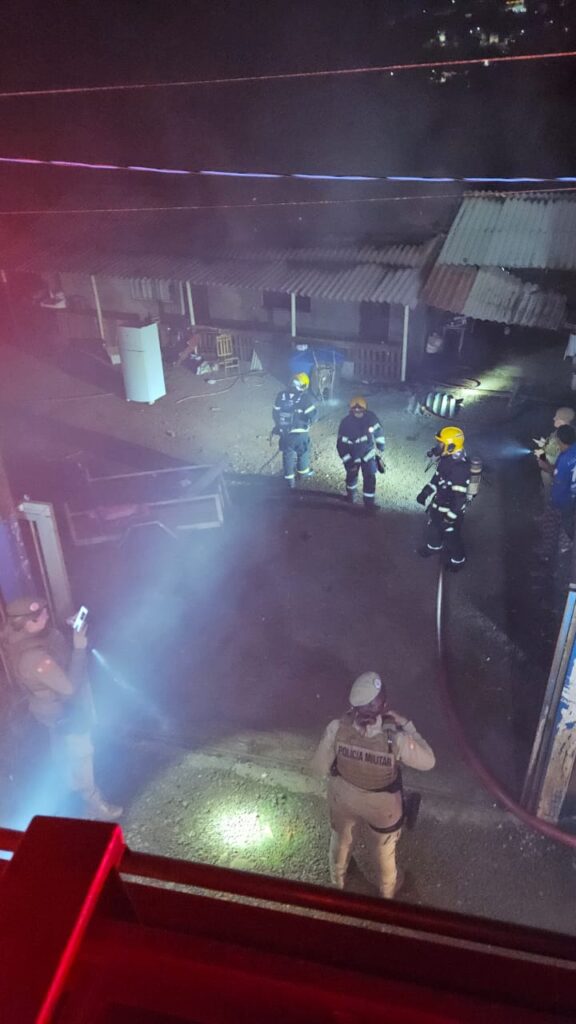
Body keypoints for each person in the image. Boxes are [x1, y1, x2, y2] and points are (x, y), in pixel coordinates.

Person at [310, 671, 435, 898]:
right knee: (383, 852)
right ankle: (387, 893)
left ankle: (337, 881)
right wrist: (407, 725)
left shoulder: (337, 728)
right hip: (383, 807)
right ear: (384, 706)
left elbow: (318, 768)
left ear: (354, 706)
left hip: (343, 798)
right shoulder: (395, 739)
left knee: (340, 839)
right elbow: (429, 761)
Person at [0, 595, 122, 821]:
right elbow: (69, 688)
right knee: (82, 754)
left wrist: (65, 630)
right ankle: (94, 804)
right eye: (41, 615)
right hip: (64, 713)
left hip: (50, 712)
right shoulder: (33, 658)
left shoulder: (18, 638)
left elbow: (51, 649)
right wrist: (79, 647)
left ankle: (74, 803)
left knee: (64, 756)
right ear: (28, 623)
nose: (47, 615)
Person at [416, 425, 471, 573]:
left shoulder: (460, 469)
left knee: (451, 535)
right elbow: (438, 478)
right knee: (434, 527)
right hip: (439, 503)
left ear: (451, 446)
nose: (437, 446)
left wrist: (449, 520)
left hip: (451, 509)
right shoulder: (446, 459)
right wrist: (425, 492)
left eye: (441, 444)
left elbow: (460, 500)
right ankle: (434, 547)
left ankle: (458, 560)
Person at [336, 397, 386, 509]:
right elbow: (340, 445)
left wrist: (381, 446)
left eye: (360, 410)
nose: (358, 412)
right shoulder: (345, 423)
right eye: (355, 410)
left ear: (365, 409)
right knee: (351, 476)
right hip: (352, 455)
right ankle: (350, 496)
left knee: (370, 477)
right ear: (351, 410)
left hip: (368, 454)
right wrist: (348, 461)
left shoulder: (371, 418)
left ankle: (369, 503)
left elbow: (379, 432)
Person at [536, 424, 576, 562]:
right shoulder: (573, 450)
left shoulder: (565, 460)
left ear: (560, 441)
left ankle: (547, 555)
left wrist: (544, 465)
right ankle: (564, 552)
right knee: (566, 526)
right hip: (572, 500)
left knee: (551, 526)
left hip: (560, 500)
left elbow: (557, 477)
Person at [272, 372, 317, 488]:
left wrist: (279, 426)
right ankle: (303, 472)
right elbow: (313, 416)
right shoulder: (305, 398)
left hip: (285, 434)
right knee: (303, 451)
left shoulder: (281, 395)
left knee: (288, 454)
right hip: (300, 434)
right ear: (304, 386)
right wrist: (310, 421)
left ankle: (289, 480)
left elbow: (275, 413)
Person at [534, 406, 576, 499]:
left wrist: (541, 455)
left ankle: (549, 501)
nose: (553, 418)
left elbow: (555, 462)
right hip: (559, 472)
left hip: (555, 474)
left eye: (556, 417)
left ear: (562, 421)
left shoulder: (562, 438)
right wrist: (544, 444)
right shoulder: (566, 432)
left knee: (549, 486)